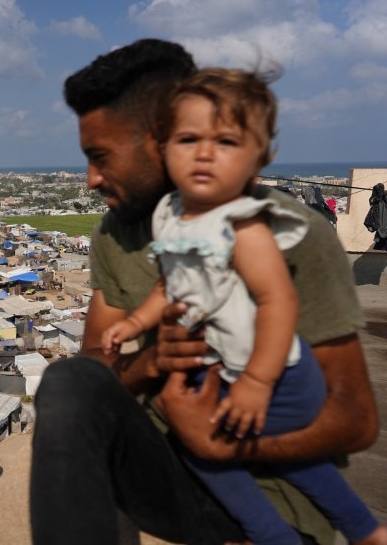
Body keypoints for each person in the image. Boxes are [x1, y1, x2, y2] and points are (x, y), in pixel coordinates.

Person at [30, 39, 379, 545]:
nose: (91, 180)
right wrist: (150, 365)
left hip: (273, 498)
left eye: (101, 157)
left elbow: (354, 420)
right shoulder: (117, 233)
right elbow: (94, 372)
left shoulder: (287, 233)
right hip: (167, 479)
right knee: (66, 380)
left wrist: (220, 447)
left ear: (160, 140)